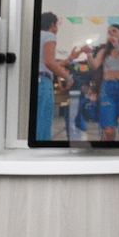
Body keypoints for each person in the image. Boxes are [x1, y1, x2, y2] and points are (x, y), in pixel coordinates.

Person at [93, 24, 119, 142]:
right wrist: (89, 55)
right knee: (108, 130)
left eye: (114, 31)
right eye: (109, 32)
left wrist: (117, 46)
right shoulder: (104, 51)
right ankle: (106, 151)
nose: (111, 33)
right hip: (108, 88)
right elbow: (95, 66)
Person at [36, 12, 68, 141]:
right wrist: (68, 77)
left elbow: (50, 64)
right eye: (57, 25)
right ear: (52, 24)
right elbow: (49, 62)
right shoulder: (50, 35)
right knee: (43, 121)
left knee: (36, 119)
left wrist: (70, 59)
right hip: (43, 82)